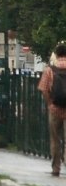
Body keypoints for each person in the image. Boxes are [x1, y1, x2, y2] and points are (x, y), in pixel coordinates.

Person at [38, 43, 66, 176]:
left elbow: (43, 89)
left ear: (57, 55)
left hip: (55, 109)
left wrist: (49, 103)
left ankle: (56, 168)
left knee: (55, 139)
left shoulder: (49, 70)